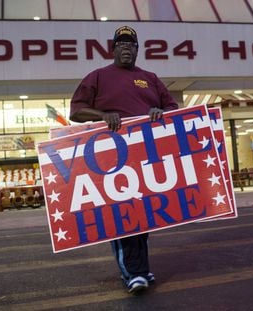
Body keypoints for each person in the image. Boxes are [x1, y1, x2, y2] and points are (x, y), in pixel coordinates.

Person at [70, 25, 178, 293]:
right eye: (121, 44)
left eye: (131, 44)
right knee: (122, 214)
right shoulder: (97, 77)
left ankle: (138, 267)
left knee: (144, 213)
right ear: (114, 49)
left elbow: (173, 108)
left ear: (138, 50)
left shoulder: (150, 78)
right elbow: (76, 111)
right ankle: (134, 272)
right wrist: (102, 115)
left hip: (146, 156)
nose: (126, 48)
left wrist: (159, 111)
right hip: (111, 156)